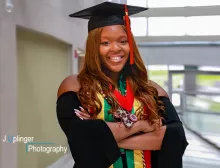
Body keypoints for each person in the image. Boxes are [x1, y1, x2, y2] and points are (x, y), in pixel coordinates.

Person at [56, 2, 188, 168]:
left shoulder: (150, 89)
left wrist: (104, 136)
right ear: (93, 47)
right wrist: (142, 125)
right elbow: (81, 140)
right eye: (105, 43)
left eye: (122, 41)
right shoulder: (75, 86)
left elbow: (175, 137)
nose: (115, 49)